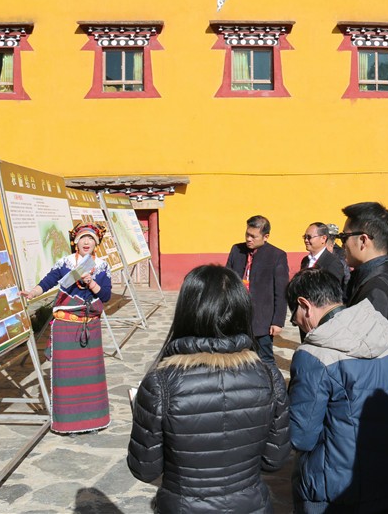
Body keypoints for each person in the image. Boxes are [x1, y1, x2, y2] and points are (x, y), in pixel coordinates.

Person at [127, 265, 290, 513]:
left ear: (186, 311)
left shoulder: (160, 383)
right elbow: (274, 460)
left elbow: (145, 469)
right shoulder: (269, 376)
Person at [287, 268, 388, 513]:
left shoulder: (313, 355)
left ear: (305, 305)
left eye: (295, 317)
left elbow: (301, 436)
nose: (297, 324)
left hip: (342, 488)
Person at [23, 222, 112, 434]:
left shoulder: (101, 266)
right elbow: (48, 281)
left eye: (91, 239)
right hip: (65, 326)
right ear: (75, 242)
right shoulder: (65, 264)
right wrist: (33, 293)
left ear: (96, 243)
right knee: (66, 377)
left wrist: (91, 282)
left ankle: (92, 421)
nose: (87, 242)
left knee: (90, 375)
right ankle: (68, 423)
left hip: (88, 326)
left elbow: (106, 296)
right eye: (82, 238)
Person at [340, 202, 388, 346]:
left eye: (344, 237)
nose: (342, 245)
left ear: (363, 240)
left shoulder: (375, 291)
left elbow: (364, 349)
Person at [226, 215, 289, 366]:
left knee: (265, 360)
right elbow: (227, 280)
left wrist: (277, 322)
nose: (249, 239)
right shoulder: (237, 250)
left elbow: (281, 291)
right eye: (247, 234)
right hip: (237, 316)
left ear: (265, 237)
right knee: (238, 359)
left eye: (254, 236)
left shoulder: (277, 255)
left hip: (262, 320)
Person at [300, 222, 345, 289]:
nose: (306, 240)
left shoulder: (333, 262)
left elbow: (334, 290)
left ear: (323, 238)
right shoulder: (305, 260)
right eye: (305, 237)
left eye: (309, 237)